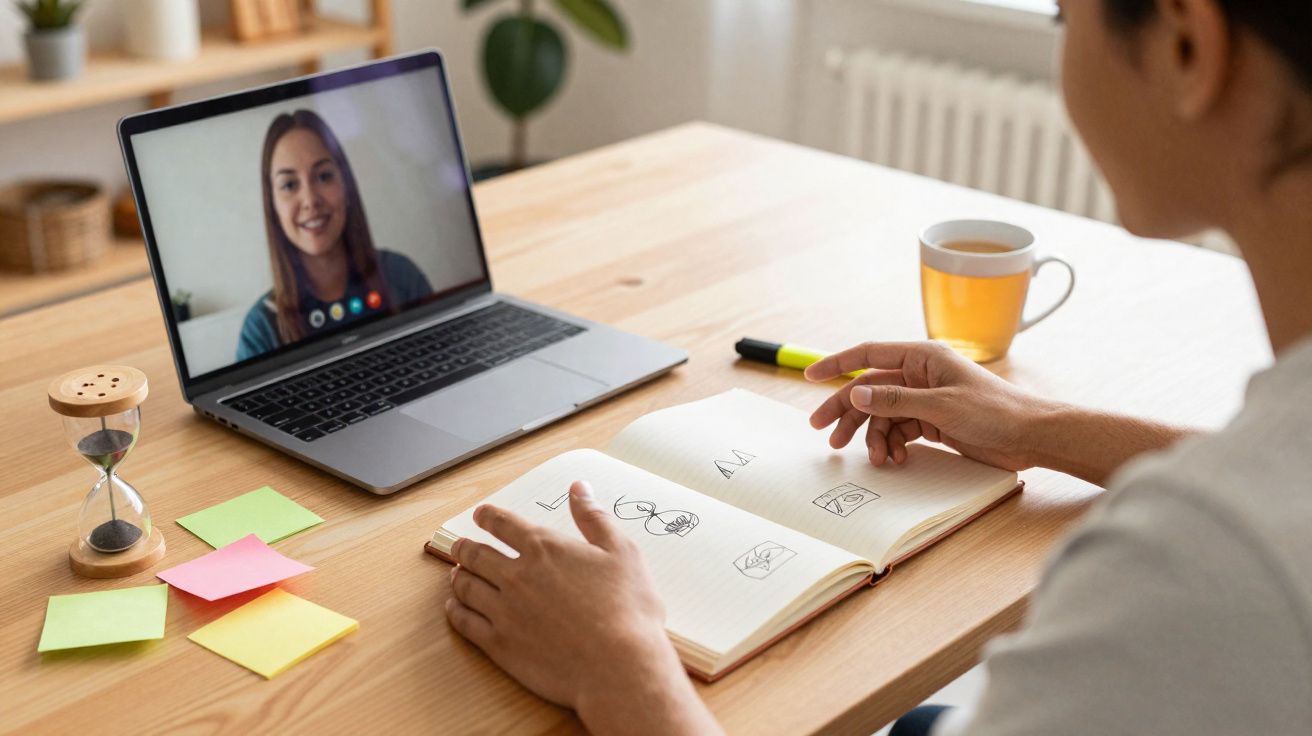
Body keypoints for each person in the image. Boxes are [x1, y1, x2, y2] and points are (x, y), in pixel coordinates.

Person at [443, 0, 1312, 733]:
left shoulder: (1195, 569)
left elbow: (1245, 525)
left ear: (1187, 47)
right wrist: (1035, 427)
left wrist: (622, 670)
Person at [237, 110, 431, 362]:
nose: (310, 200)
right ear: (272, 205)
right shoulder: (260, 330)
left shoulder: (402, 276)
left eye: (324, 176)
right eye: (289, 185)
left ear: (346, 186)